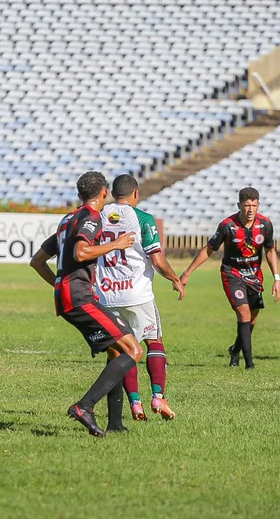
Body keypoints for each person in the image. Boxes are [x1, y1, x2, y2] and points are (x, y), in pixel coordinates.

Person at [30, 171, 143, 437]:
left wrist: (60, 286)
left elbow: (37, 261)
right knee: (133, 350)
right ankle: (85, 406)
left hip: (69, 296)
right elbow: (81, 252)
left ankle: (115, 423)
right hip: (80, 296)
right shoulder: (90, 217)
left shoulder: (68, 219)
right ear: (104, 192)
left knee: (117, 350)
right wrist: (116, 244)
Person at [94, 174, 184, 421]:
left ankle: (135, 403)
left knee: (124, 351)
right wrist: (175, 278)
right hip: (137, 294)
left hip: (107, 295)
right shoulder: (143, 218)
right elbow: (156, 260)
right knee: (154, 342)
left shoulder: (98, 216)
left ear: (112, 194)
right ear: (136, 194)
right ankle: (157, 396)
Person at [180, 186, 280, 369]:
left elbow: (270, 250)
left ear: (258, 206)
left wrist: (277, 278)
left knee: (252, 319)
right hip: (232, 274)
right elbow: (209, 249)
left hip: (254, 276)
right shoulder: (228, 225)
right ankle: (249, 364)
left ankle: (235, 350)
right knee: (243, 313)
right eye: (246, 205)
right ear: (239, 205)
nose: (250, 210)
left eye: (254, 205)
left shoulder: (265, 225)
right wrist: (187, 272)